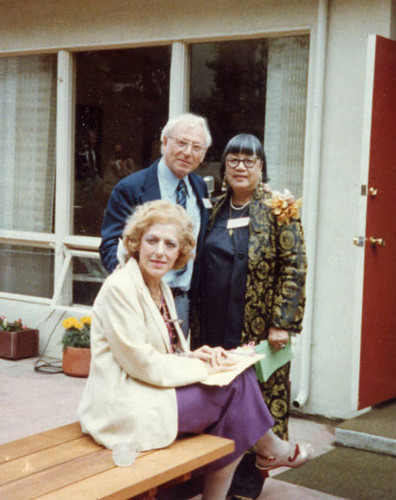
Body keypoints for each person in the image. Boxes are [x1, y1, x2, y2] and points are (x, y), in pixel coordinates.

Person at [79, 200, 312, 500]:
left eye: (170, 244)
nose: (160, 251)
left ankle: (264, 455)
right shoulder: (120, 287)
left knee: (237, 392)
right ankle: (270, 450)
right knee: (237, 390)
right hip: (125, 405)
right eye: (152, 240)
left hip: (148, 392)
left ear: (180, 252)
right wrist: (206, 369)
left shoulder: (158, 285)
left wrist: (194, 355)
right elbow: (143, 364)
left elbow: (161, 352)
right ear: (137, 243)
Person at [192, 134, 308, 499]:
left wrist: (282, 322)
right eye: (233, 160)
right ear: (224, 167)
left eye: (249, 161)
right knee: (217, 398)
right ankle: (211, 478)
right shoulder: (213, 208)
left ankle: (247, 483)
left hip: (258, 326)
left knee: (257, 398)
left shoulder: (279, 207)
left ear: (261, 167)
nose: (240, 167)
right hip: (212, 325)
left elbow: (295, 267)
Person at [100, 113, 212, 337]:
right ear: (165, 142)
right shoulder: (131, 188)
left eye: (196, 147)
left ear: (203, 154)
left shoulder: (200, 187)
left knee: (173, 364)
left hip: (182, 301)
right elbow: (110, 244)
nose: (188, 152)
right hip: (141, 298)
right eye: (181, 143)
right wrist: (129, 284)